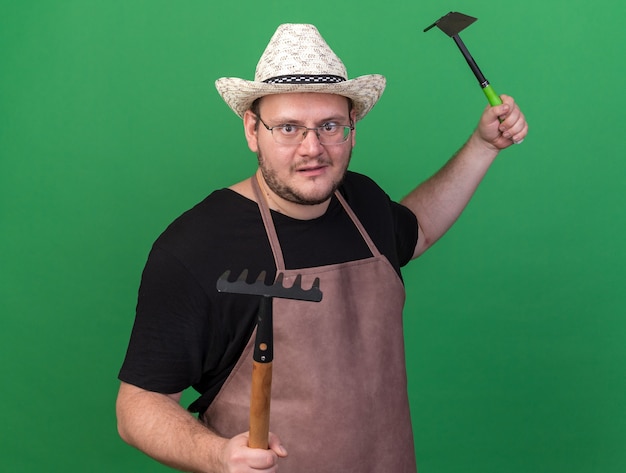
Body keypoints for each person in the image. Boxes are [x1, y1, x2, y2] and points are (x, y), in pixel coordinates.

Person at [116, 23, 528, 473]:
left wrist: (483, 145)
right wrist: (217, 455)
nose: (312, 149)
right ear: (253, 130)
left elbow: (419, 230)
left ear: (353, 127)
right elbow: (138, 405)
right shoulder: (196, 247)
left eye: (330, 126)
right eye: (289, 127)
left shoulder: (364, 203)